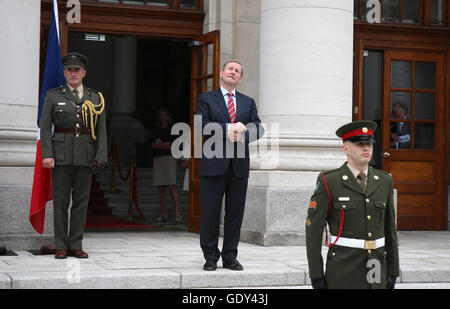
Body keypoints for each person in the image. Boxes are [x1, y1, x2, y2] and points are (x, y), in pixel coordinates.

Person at [305, 120, 399, 289]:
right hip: (344, 268)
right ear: (346, 149)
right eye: (360, 144)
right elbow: (313, 232)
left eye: (369, 143)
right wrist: (316, 275)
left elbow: (390, 230)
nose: (366, 148)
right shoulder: (329, 181)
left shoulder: (384, 181)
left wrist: (393, 270)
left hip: (377, 265)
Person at [195, 60, 264, 271]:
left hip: (239, 167)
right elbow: (201, 125)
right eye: (230, 69)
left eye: (237, 71)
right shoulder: (206, 98)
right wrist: (229, 128)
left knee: (235, 214)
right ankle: (210, 257)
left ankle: (230, 256)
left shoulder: (247, 101)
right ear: (221, 73)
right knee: (210, 213)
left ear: (240, 78)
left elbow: (258, 128)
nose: (233, 72)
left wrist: (242, 137)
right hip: (213, 165)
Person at [40, 52, 107, 259]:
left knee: (80, 203)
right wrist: (47, 154)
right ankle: (61, 245)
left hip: (85, 157)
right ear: (65, 72)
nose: (73, 73)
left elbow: (102, 129)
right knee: (60, 203)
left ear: (84, 73)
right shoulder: (54, 95)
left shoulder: (95, 97)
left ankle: (76, 244)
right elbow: (45, 128)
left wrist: (101, 155)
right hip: (60, 157)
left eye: (77, 70)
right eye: (69, 70)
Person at [150, 108, 182, 224]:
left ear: (168, 117)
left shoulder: (173, 129)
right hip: (158, 159)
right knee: (161, 188)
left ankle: (178, 214)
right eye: (160, 115)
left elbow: (173, 145)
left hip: (170, 159)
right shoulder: (156, 130)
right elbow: (152, 145)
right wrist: (164, 145)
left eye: (164, 115)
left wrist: (161, 145)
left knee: (171, 186)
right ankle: (163, 213)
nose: (162, 117)